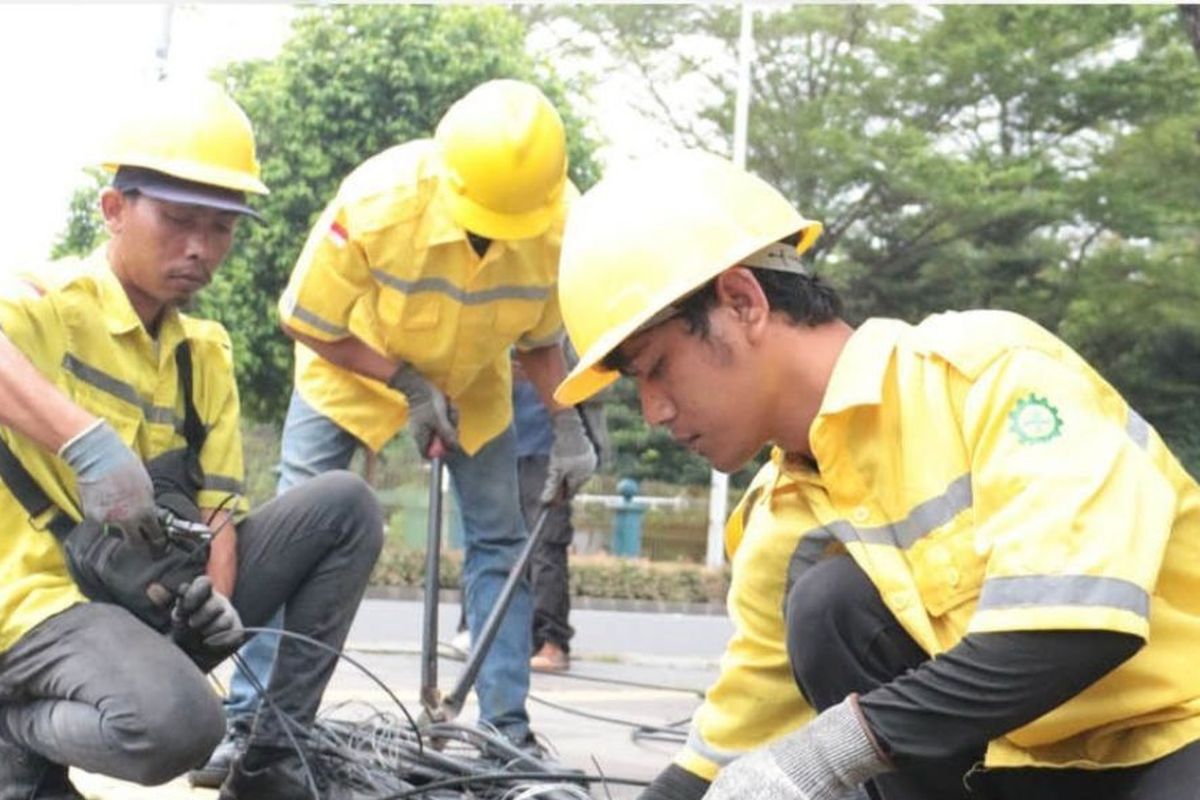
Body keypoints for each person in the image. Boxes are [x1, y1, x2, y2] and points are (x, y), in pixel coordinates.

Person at [550, 149, 1200, 800]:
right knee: (829, 607)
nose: (654, 410)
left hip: (1174, 732)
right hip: (1026, 769)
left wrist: (823, 758)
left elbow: (1077, 627)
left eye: (657, 367)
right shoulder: (781, 515)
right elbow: (724, 755)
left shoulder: (987, 373)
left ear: (743, 302)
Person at [0, 80, 382, 800]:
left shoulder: (202, 352)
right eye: (178, 221)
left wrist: (214, 607)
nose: (200, 249)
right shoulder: (47, 306)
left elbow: (216, 515)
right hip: (36, 599)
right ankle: (14, 733)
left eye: (221, 229)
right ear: (113, 209)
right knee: (179, 729)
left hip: (143, 593)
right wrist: (85, 443)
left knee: (345, 507)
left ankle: (271, 759)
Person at [201, 78, 596, 771]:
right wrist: (408, 385)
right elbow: (304, 318)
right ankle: (251, 723)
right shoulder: (379, 201)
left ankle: (506, 731)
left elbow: (539, 340)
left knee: (501, 544)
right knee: (289, 540)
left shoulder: (564, 225)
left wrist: (568, 425)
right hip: (348, 373)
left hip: (473, 382)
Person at [515, 349, 608, 673]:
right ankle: (517, 641)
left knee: (546, 547)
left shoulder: (562, 319)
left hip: (550, 446)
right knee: (509, 548)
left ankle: (552, 643)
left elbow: (590, 372)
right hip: (505, 440)